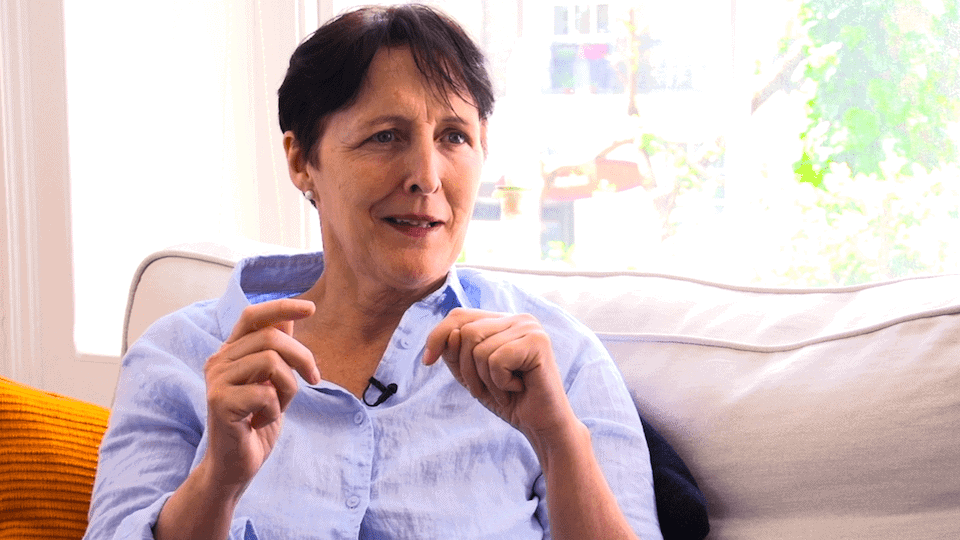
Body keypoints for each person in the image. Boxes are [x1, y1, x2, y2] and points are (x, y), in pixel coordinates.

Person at [84, 4, 663, 539]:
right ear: (301, 161)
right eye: (386, 136)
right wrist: (218, 483)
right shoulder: (179, 357)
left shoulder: (564, 362)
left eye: (454, 137)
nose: (426, 176)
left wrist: (558, 442)